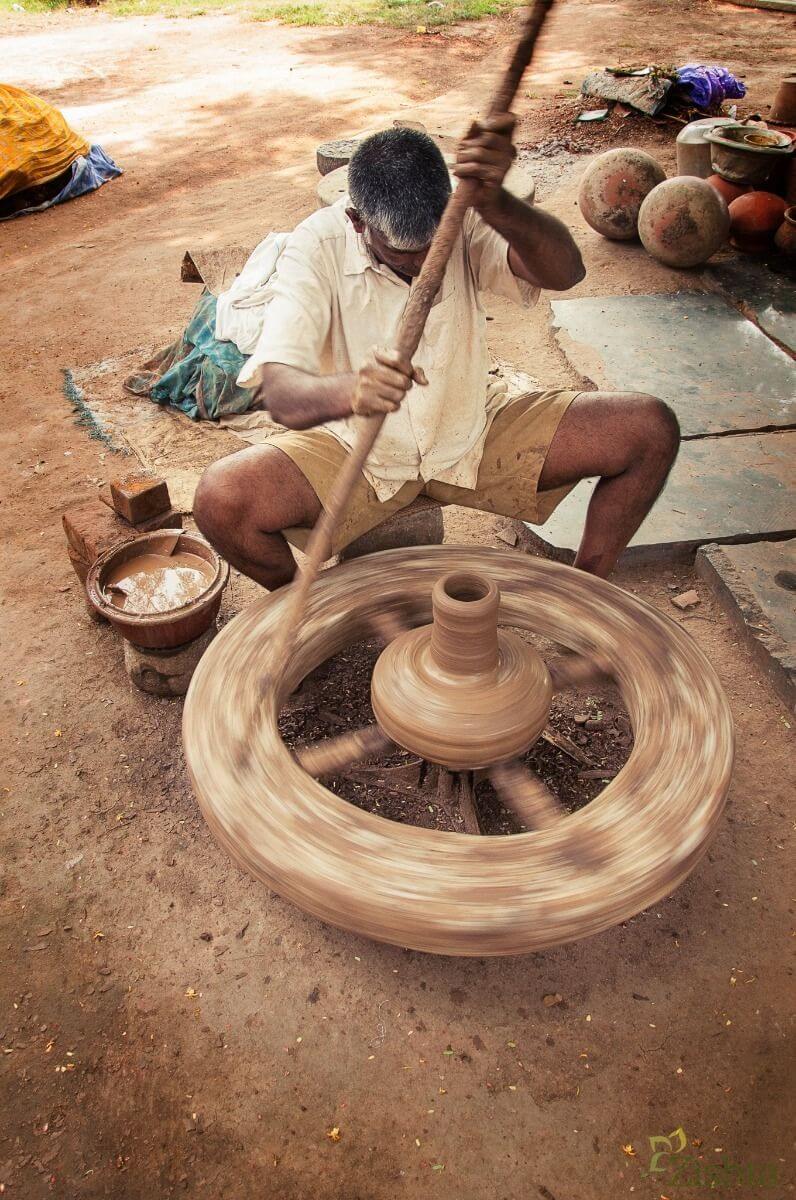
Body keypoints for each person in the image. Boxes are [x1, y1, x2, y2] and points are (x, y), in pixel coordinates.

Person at [194, 117, 679, 588]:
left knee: (647, 428)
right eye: (401, 253)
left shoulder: (464, 212)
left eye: (432, 246)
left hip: (471, 429)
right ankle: (310, 608)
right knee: (222, 498)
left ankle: (588, 593)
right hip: (356, 451)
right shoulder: (315, 245)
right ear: (358, 221)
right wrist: (351, 390)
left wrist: (500, 204)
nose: (423, 262)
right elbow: (281, 394)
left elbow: (566, 272)